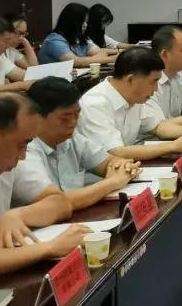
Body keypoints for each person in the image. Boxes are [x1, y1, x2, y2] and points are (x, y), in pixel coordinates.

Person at [0, 93, 86, 281]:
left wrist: (18, 215)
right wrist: (49, 248)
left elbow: (60, 203)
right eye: (22, 145)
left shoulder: (4, 164)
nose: (23, 156)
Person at [20, 77, 140, 210]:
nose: (73, 123)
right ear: (37, 117)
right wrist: (112, 182)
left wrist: (123, 167)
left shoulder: (72, 139)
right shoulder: (24, 151)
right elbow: (54, 202)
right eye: (65, 118)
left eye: (76, 115)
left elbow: (111, 162)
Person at [76, 47, 182, 161]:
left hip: (126, 167)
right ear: (131, 79)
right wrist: (172, 146)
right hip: (98, 173)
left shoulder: (134, 96)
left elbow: (157, 127)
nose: (156, 89)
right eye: (153, 82)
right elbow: (115, 152)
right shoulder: (94, 104)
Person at [38, 3, 116, 67]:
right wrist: (111, 59)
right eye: (83, 22)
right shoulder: (54, 40)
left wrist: (86, 61)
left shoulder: (79, 38)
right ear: (72, 22)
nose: (86, 25)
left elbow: (102, 52)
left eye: (86, 22)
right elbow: (75, 62)